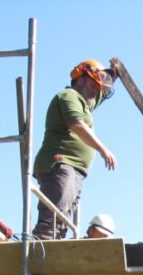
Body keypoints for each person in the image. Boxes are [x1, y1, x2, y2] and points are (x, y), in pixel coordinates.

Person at [32, 58, 118, 240]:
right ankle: (38, 259)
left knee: (61, 224)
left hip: (74, 170)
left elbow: (102, 93)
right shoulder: (69, 96)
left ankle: (48, 257)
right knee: (52, 222)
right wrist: (103, 150)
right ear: (80, 79)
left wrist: (113, 72)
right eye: (93, 85)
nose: (96, 90)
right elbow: (77, 125)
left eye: (98, 87)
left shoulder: (86, 102)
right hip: (62, 165)